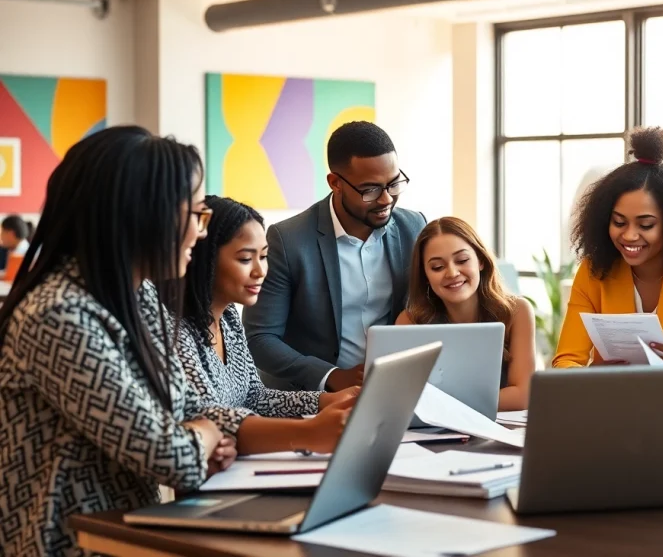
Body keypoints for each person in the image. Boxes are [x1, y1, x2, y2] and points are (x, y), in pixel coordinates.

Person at [0, 126, 245, 556]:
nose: (200, 232)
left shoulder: (138, 294)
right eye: (195, 215)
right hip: (67, 545)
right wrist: (202, 435)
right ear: (142, 214)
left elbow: (186, 410)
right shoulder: (59, 315)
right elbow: (171, 457)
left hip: (130, 536)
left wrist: (199, 433)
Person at [243, 121, 427, 392]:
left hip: (395, 391)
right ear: (335, 183)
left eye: (393, 183)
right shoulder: (289, 240)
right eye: (371, 190)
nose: (386, 199)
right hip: (310, 399)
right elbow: (260, 339)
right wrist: (331, 376)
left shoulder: (414, 227)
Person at [173, 195, 359, 455]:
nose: (261, 271)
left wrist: (326, 401)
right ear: (205, 259)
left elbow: (255, 397)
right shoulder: (175, 331)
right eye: (246, 259)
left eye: (264, 256)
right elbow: (203, 416)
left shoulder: (228, 318)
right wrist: (309, 432)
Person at [552, 126, 663, 368]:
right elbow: (566, 361)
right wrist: (593, 374)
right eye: (618, 222)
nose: (628, 235)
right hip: (614, 401)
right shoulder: (593, 270)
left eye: (646, 225)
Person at [396, 217, 536, 411]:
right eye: (437, 267)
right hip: (435, 434)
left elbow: (522, 396)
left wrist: (442, 405)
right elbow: (403, 399)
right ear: (425, 275)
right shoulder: (410, 321)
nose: (452, 273)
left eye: (462, 260)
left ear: (480, 261)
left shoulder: (517, 311)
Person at [1, 214, 33, 282]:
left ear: (10, 234)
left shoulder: (28, 254)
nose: (1, 236)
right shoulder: (7, 250)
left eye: (2, 232)